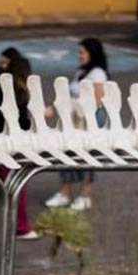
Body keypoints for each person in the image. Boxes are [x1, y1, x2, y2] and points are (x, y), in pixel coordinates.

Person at [44, 38, 109, 211]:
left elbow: (97, 100)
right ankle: (65, 192)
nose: (79, 56)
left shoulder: (97, 74)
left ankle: (85, 194)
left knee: (88, 155)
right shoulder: (82, 71)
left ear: (92, 54)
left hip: (91, 119)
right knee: (68, 153)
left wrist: (71, 107)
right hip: (74, 118)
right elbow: (71, 95)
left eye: (82, 52)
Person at [0, 47, 38, 238]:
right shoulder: (19, 92)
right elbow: (21, 121)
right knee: (15, 184)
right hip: (11, 143)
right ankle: (20, 227)